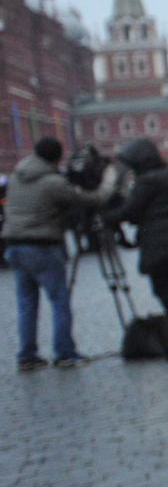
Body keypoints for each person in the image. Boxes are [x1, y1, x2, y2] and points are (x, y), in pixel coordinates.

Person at [3, 137, 106, 371]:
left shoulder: (17, 177)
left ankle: (27, 356)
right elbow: (86, 201)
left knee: (26, 303)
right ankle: (65, 352)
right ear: (56, 157)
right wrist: (106, 187)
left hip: (14, 245)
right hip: (43, 246)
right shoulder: (53, 182)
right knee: (59, 300)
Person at [103, 138, 168, 360]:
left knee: (166, 292)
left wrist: (108, 216)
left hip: (159, 241)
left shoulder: (148, 181)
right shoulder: (164, 175)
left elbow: (131, 210)